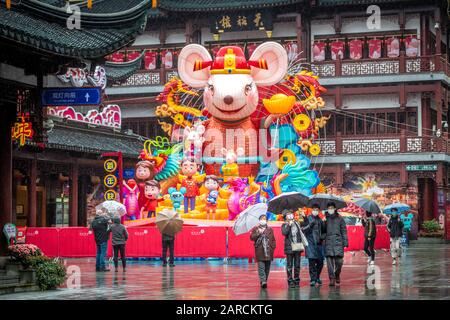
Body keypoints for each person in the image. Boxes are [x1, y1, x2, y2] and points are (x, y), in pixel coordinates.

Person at [281, 209, 308, 288]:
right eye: (288, 214)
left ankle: (296, 280)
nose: (290, 215)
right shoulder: (284, 225)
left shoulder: (297, 223)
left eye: (291, 214)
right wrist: (289, 225)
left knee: (297, 265)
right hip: (289, 248)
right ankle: (290, 281)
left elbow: (306, 224)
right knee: (289, 265)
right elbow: (284, 233)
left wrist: (304, 216)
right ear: (285, 217)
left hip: (298, 246)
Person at [324, 202, 348, 286]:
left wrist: (345, 242)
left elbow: (344, 231)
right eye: (329, 208)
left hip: (338, 242)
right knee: (329, 263)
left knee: (339, 262)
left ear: (335, 208)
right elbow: (322, 231)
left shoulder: (340, 219)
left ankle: (337, 274)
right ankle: (332, 278)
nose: (330, 209)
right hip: (328, 242)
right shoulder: (325, 219)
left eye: (332, 208)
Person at [250, 214, 276, 289]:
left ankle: (264, 281)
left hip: (268, 251)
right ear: (259, 220)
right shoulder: (256, 229)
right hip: (260, 251)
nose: (263, 220)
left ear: (266, 220)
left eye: (264, 219)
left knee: (267, 268)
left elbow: (273, 240)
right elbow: (251, 238)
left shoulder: (270, 229)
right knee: (261, 267)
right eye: (261, 219)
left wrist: (272, 247)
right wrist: (258, 233)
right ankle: (263, 281)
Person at [304, 204, 326, 287]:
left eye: (317, 210)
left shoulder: (320, 220)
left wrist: (324, 224)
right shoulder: (307, 218)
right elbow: (304, 230)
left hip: (319, 244)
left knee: (320, 262)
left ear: (319, 211)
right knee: (312, 262)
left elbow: (324, 231)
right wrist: (310, 225)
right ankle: (313, 279)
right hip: (310, 243)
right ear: (312, 210)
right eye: (314, 209)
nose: (315, 211)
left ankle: (317, 277)